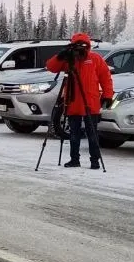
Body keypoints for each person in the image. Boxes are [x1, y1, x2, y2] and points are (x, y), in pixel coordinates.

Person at [45, 32, 115, 170]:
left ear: (88, 46)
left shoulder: (95, 59)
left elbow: (106, 78)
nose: (80, 49)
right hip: (73, 102)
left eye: (83, 46)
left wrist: (108, 95)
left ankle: (95, 160)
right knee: (74, 134)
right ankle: (74, 159)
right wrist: (60, 56)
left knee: (92, 133)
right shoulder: (69, 60)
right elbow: (51, 67)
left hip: (91, 102)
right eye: (77, 46)